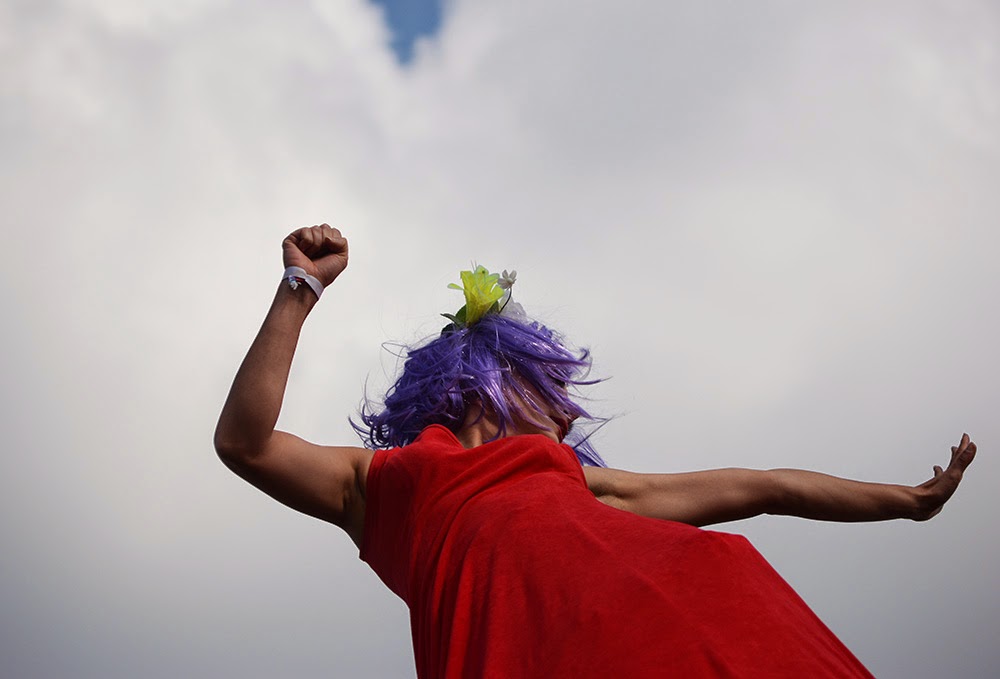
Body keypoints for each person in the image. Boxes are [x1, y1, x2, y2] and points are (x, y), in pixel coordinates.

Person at [214, 224, 978, 678]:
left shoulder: (585, 484)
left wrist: (907, 502)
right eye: (552, 389)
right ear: (494, 382)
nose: (570, 411)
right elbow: (246, 444)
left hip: (714, 627)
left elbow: (769, 485)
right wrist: (299, 287)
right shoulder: (385, 487)